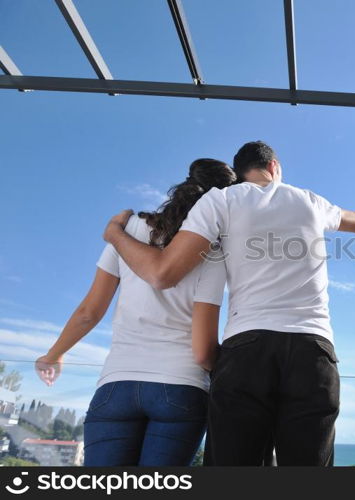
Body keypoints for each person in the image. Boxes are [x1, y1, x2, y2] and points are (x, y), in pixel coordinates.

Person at [102, 141, 355, 466]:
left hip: (246, 350)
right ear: (274, 166)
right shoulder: (310, 201)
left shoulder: (221, 200)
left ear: (240, 173)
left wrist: (116, 233)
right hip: (313, 350)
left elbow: (163, 274)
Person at [35, 158, 235, 466]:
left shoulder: (129, 229)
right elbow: (202, 352)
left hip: (117, 386)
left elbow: (90, 311)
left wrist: (54, 354)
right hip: (182, 387)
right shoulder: (215, 251)